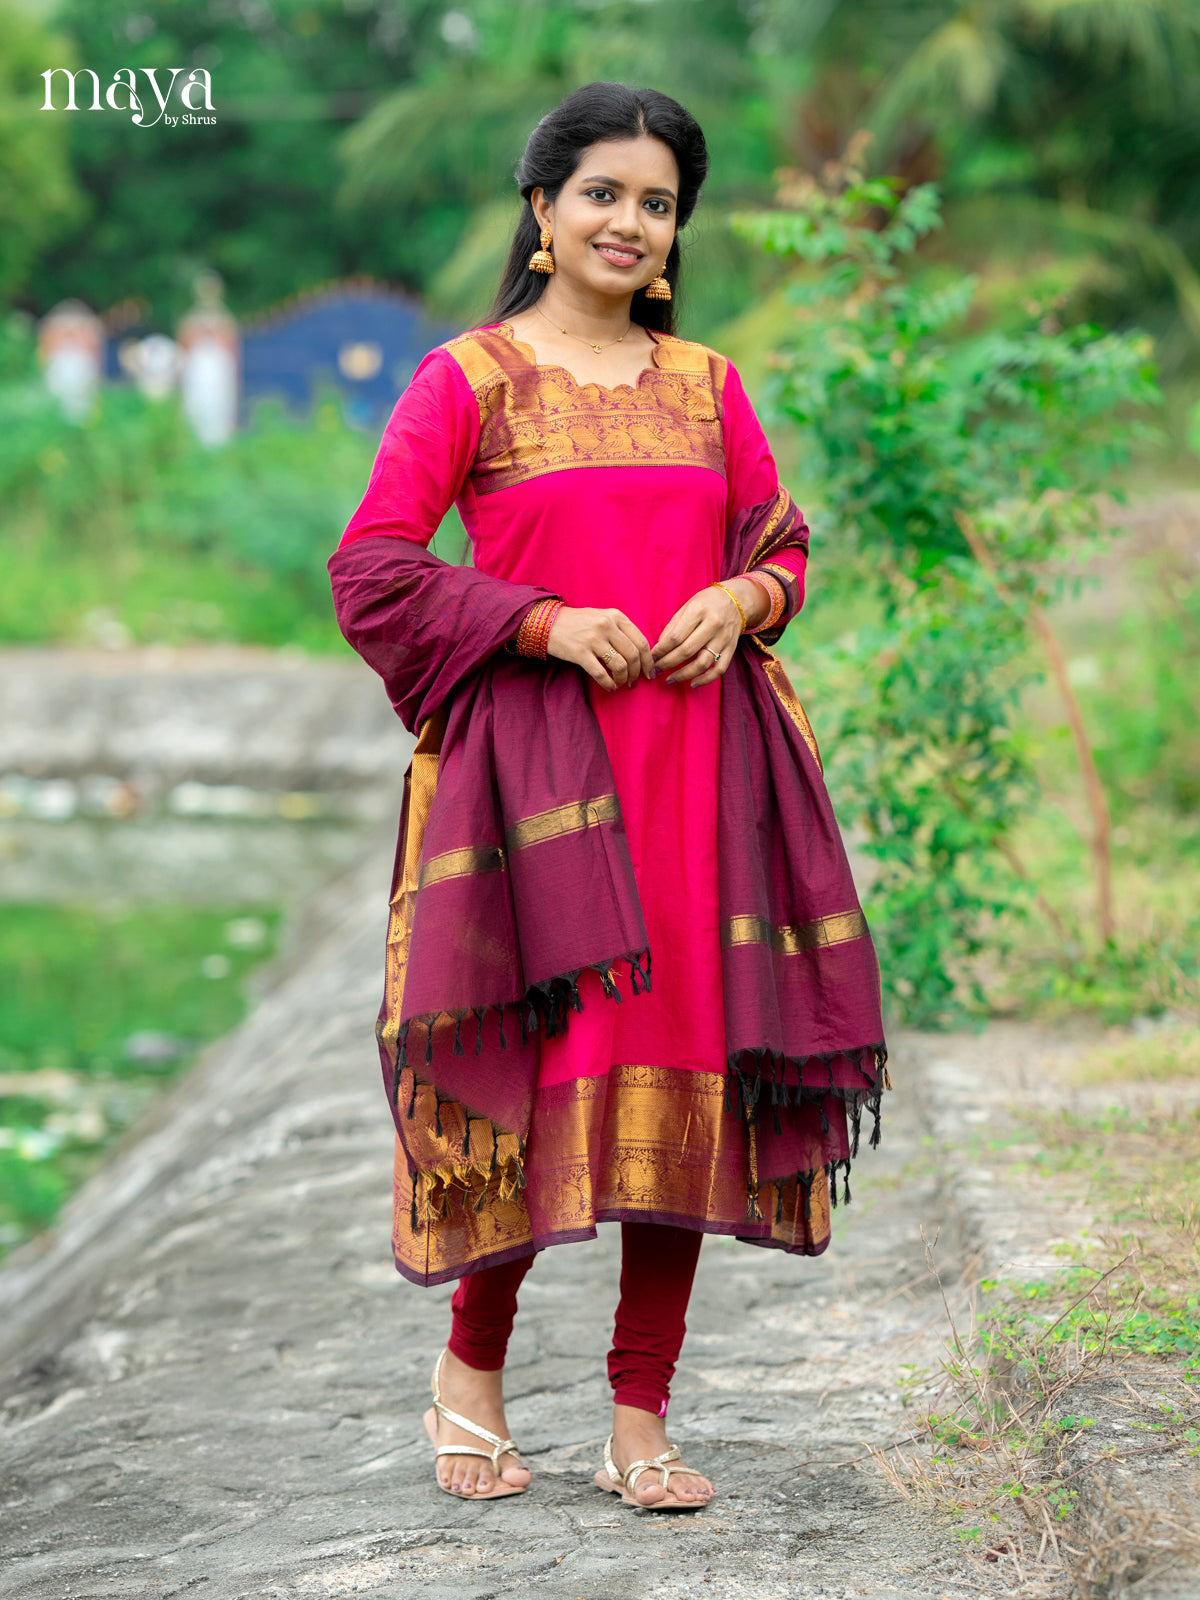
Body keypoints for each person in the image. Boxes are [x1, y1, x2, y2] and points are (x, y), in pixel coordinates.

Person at [329, 81, 886, 1513]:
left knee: (685, 1086)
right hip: (538, 798)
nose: (628, 221)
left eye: (656, 202)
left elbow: (783, 543)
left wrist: (747, 594)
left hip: (703, 784)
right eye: (602, 194)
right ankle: (473, 1374)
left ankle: (641, 1414)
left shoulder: (707, 384)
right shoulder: (468, 380)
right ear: (541, 208)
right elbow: (376, 566)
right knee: (528, 1076)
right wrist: (537, 622)